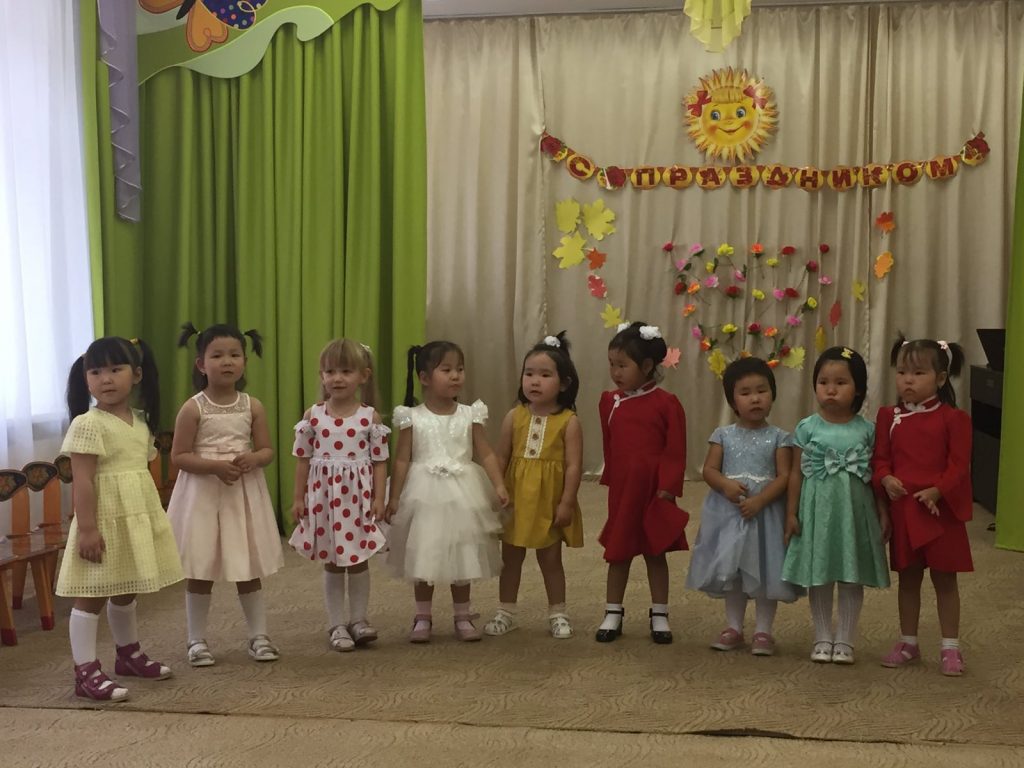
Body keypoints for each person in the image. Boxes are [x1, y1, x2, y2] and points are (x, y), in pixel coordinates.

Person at [58, 336, 183, 701]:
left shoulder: (141, 422)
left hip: (135, 517)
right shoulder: (88, 424)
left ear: (137, 374)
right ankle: (84, 671)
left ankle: (128, 654)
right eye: (96, 372)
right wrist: (87, 529)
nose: (106, 379)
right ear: (85, 379)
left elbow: (138, 474)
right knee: (91, 595)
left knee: (127, 587)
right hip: (102, 520)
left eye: (115, 369)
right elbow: (83, 480)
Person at [167, 323, 284, 667]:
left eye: (234, 355)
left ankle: (259, 636)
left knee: (247, 565)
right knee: (200, 567)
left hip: (241, 495)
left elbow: (267, 450)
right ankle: (196, 640)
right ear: (201, 364)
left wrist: (254, 459)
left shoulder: (252, 405)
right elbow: (179, 456)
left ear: (244, 362)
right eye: (217, 355)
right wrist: (214, 467)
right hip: (202, 496)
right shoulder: (193, 408)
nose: (227, 361)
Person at [384, 341, 509, 642]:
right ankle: (422, 616)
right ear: (425, 377)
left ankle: (462, 615)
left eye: (460, 369)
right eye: (447, 369)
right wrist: (394, 496)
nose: (455, 376)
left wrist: (498, 484)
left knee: (463, 551)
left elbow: (485, 452)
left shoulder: (470, 414)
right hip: (423, 495)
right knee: (424, 552)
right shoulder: (411, 416)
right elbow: (402, 459)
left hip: (463, 492)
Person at [783, 346, 890, 665]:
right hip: (817, 512)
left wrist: (883, 511)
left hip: (854, 514)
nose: (830, 389)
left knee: (850, 573)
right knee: (820, 572)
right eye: (823, 382)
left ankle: (845, 639)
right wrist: (791, 512)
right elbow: (795, 473)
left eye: (840, 382)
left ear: (857, 388)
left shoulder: (867, 430)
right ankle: (821, 636)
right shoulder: (807, 427)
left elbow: (874, 477)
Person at [686, 357, 800, 656]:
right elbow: (709, 469)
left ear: (772, 394)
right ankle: (734, 626)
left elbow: (785, 475)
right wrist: (725, 484)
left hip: (765, 515)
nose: (755, 398)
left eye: (762, 390)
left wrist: (761, 500)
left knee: (765, 570)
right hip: (730, 515)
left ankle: (764, 631)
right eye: (745, 393)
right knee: (733, 571)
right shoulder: (722, 435)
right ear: (732, 400)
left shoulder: (780, 437)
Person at [873, 336, 972, 676]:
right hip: (905, 512)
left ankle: (950, 647)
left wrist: (937, 491)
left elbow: (959, 466)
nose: (908, 380)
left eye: (918, 373)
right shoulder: (888, 416)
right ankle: (908, 642)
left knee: (945, 580)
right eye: (902, 372)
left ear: (940, 379)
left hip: (940, 511)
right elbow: (880, 460)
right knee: (909, 579)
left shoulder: (954, 418)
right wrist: (886, 479)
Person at [289, 339, 389, 652]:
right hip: (324, 501)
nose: (337, 378)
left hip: (356, 501)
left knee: (358, 561)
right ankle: (336, 624)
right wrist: (298, 498)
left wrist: (379, 498)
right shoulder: (313, 415)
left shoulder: (370, 418)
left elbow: (380, 462)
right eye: (330, 371)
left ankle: (358, 619)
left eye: (346, 371)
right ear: (322, 376)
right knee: (332, 562)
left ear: (363, 376)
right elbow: (303, 460)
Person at [486, 332, 584, 639]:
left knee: (550, 559)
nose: (534, 381)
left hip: (548, 502)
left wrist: (567, 502)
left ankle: (558, 612)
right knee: (510, 558)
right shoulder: (513, 416)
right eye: (529, 373)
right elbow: (501, 456)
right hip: (515, 500)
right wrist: (497, 488)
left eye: (545, 375)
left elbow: (574, 466)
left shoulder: (568, 421)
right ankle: (506, 611)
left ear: (564, 383)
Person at [595, 322, 688, 645]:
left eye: (622, 365)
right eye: (612, 364)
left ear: (647, 366)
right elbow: (609, 444)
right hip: (624, 490)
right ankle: (613, 612)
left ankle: (659, 613)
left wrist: (668, 487)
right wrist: (611, 476)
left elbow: (675, 449)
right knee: (618, 551)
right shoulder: (609, 401)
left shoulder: (666, 403)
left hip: (653, 491)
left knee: (655, 551)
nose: (615, 372)